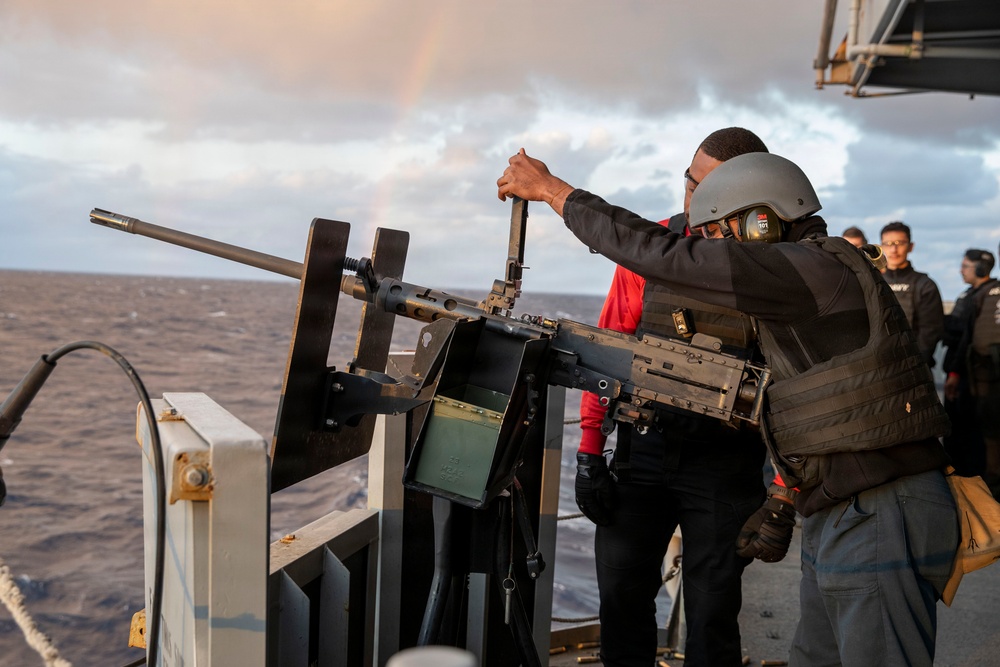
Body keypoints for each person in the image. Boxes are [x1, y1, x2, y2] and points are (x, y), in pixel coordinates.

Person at [497, 149, 957, 667]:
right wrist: (785, 498)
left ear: (764, 219)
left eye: (727, 228)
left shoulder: (804, 269)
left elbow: (662, 254)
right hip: (840, 503)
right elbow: (803, 402)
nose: (721, 243)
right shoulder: (814, 270)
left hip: (878, 509)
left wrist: (553, 190)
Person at [573, 128, 768, 667]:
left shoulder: (771, 266)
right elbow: (607, 347)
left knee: (713, 615)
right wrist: (589, 452)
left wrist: (785, 489)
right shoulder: (651, 245)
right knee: (621, 599)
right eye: (690, 182)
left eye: (711, 189)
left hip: (727, 463)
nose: (695, 197)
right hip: (643, 451)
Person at [944, 247, 1000, 494]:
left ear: (980, 268)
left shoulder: (988, 295)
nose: (961, 271)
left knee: (981, 438)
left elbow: (968, 339)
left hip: (978, 379)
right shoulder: (971, 295)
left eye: (965, 266)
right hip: (967, 376)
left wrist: (955, 374)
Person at [880, 221, 944, 367]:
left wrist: (915, 363)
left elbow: (931, 331)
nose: (894, 249)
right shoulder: (874, 282)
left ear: (911, 246)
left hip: (915, 366)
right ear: (881, 247)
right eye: (888, 244)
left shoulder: (925, 285)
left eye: (900, 243)